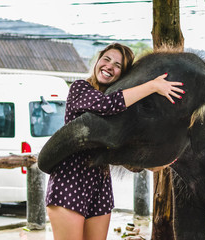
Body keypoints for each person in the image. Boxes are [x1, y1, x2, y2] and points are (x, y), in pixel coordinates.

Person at [45, 43, 184, 240]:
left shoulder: (122, 111)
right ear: (98, 61)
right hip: (70, 181)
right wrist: (153, 86)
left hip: (100, 185)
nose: (110, 66)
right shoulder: (80, 88)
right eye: (107, 59)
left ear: (123, 75)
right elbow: (106, 104)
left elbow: (124, 146)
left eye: (118, 65)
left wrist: (154, 161)